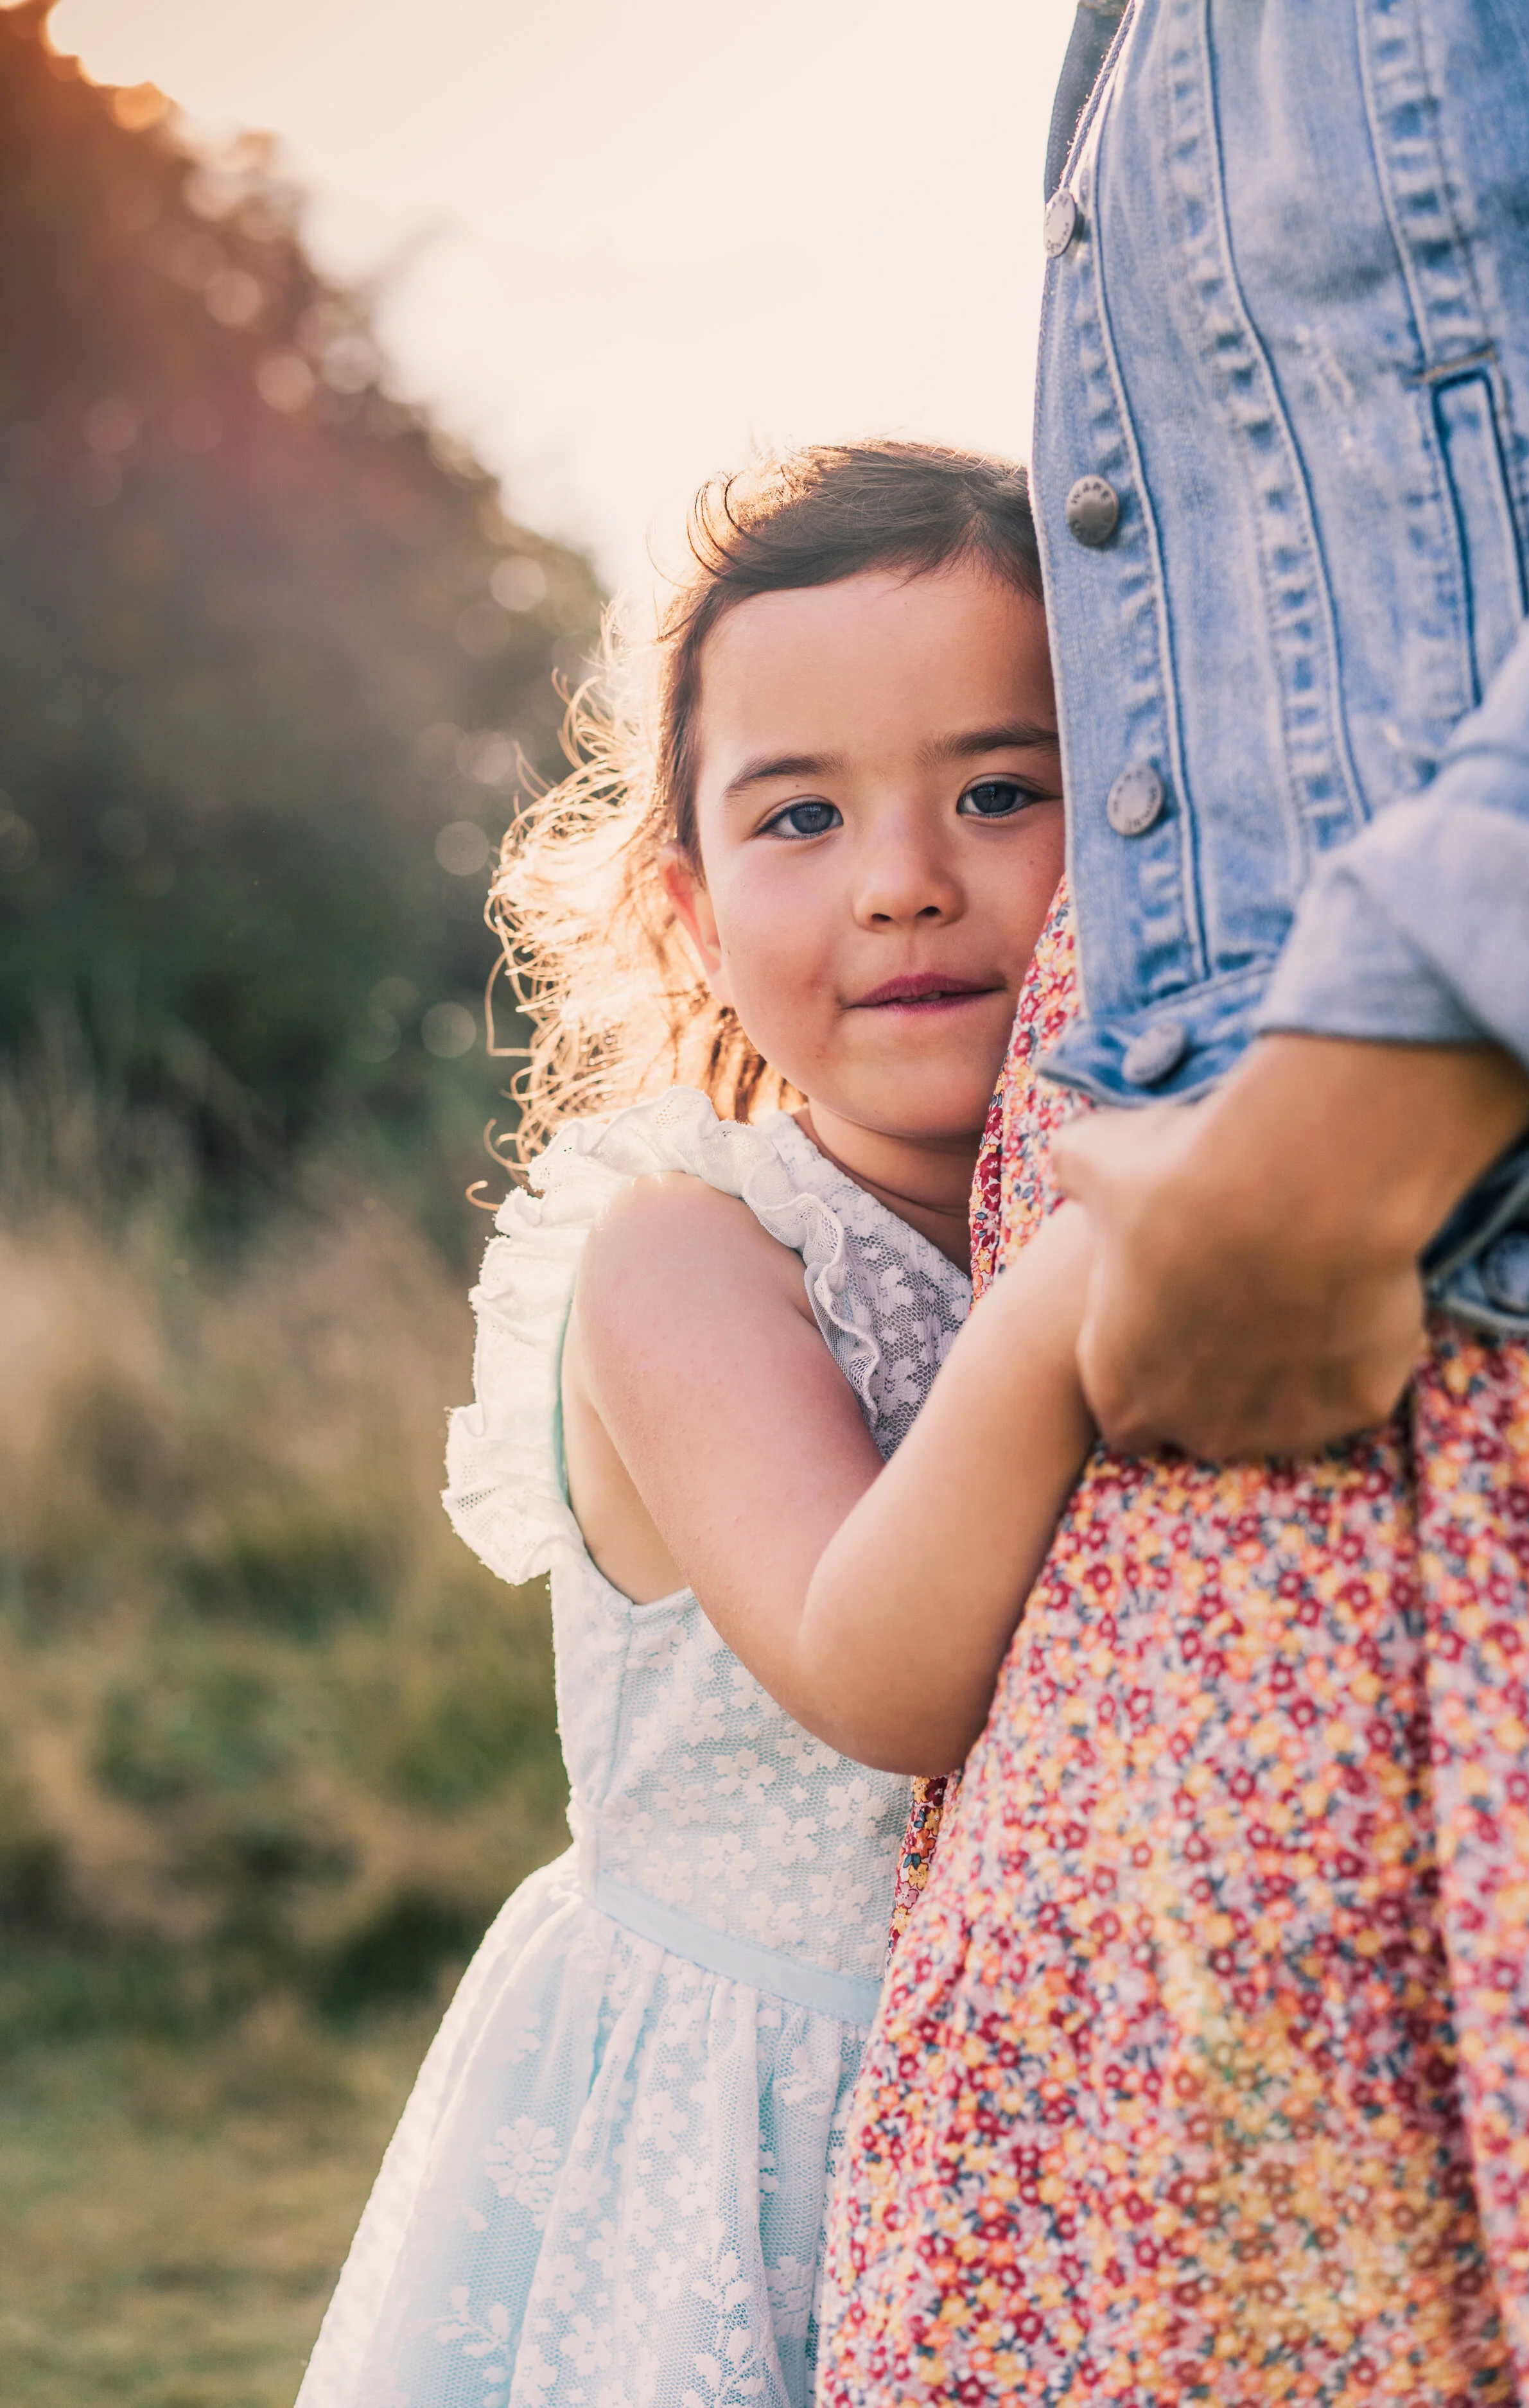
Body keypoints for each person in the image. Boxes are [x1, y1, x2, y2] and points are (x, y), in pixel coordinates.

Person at [817, 4, 1529, 2404]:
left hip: (1480, 1284)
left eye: (1002, 784)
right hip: (1254, 1547)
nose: (906, 879)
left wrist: (1365, 1102)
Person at [295, 441, 1112, 2408]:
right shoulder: (686, 1254)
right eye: (801, 814)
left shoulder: (1085, 1221)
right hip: (744, 2156)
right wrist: (1093, 1286)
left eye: (1000, 790)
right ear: (687, 910)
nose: (904, 875)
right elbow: (873, 1668)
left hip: (1058, 2125)